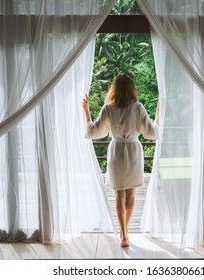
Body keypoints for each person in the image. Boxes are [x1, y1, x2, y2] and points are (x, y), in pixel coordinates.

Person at [82, 73, 159, 247]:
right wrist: (158, 115)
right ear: (132, 89)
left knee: (119, 194)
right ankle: (127, 231)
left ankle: (123, 233)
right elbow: (150, 132)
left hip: (116, 151)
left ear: (114, 88)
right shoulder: (138, 107)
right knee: (131, 193)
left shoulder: (108, 108)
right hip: (133, 151)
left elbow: (94, 131)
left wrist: (87, 112)